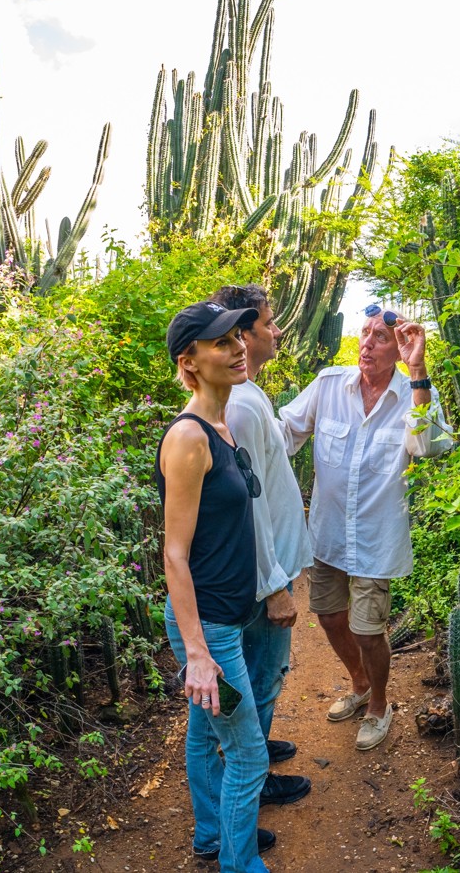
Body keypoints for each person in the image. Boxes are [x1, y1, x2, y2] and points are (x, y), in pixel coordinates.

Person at [279, 305, 454, 751]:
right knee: (330, 617)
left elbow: (431, 446)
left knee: (367, 630)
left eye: (381, 337)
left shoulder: (413, 392)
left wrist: (418, 372)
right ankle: (358, 684)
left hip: (376, 538)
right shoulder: (329, 385)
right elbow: (285, 434)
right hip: (328, 534)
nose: (368, 343)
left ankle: (379, 703)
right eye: (366, 333)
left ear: (400, 349)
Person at [157, 300, 276, 872]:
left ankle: (214, 836)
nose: (237, 348)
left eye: (237, 336)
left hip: (227, 617)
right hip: (209, 632)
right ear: (190, 361)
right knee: (249, 757)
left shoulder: (223, 425)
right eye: (220, 341)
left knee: (208, 737)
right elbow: (174, 556)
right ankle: (239, 862)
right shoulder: (189, 438)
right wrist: (199, 656)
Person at [208, 284, 314, 807]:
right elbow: (249, 505)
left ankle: (257, 748)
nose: (277, 331)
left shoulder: (250, 397)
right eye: (269, 323)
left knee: (260, 669)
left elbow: (274, 455)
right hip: (261, 574)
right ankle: (252, 774)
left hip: (271, 565)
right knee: (262, 673)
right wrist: (275, 586)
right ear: (243, 334)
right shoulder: (243, 407)